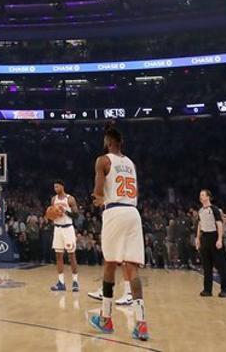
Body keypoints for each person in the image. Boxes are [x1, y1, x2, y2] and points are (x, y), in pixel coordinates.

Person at [88, 126, 149, 343]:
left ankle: (106, 318)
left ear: (108, 141)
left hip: (114, 211)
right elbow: (136, 192)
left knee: (110, 264)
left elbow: (97, 191)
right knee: (132, 268)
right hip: (133, 212)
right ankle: (141, 325)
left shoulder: (103, 160)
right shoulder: (131, 163)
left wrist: (98, 198)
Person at [48, 179, 80, 293]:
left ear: (62, 186)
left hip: (68, 228)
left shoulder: (70, 199)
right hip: (57, 229)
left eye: (57, 187)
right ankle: (61, 282)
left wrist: (65, 211)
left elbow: (76, 215)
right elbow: (52, 214)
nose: (55, 189)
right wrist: (51, 215)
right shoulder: (53, 199)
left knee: (71, 256)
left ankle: (75, 282)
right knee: (58, 256)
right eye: (54, 187)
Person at [196, 190, 226, 298]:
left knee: (220, 266)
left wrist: (219, 239)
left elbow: (219, 224)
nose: (201, 197)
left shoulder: (214, 209)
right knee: (206, 266)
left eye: (203, 195)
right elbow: (200, 225)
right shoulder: (200, 211)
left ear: (208, 197)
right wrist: (198, 239)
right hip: (205, 237)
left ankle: (224, 290)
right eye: (200, 195)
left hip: (214, 237)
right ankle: (207, 290)